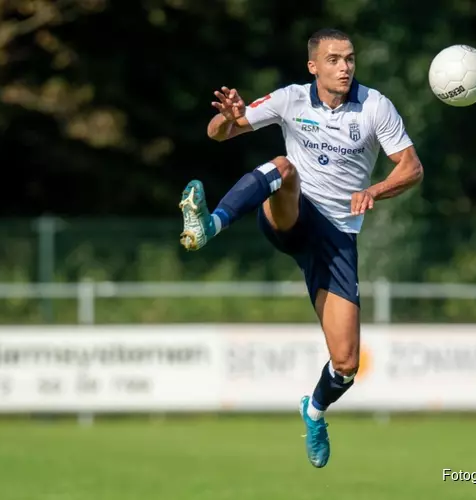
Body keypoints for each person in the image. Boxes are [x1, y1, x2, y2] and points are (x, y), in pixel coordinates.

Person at [179, 28, 423, 468]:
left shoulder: (374, 106)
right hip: (293, 216)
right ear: (313, 66)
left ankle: (313, 411)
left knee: (346, 363)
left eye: (349, 58)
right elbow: (217, 133)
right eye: (333, 59)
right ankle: (210, 225)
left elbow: (411, 166)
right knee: (283, 167)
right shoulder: (290, 98)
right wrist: (230, 118)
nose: (345, 67)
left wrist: (378, 189)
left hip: (337, 239)